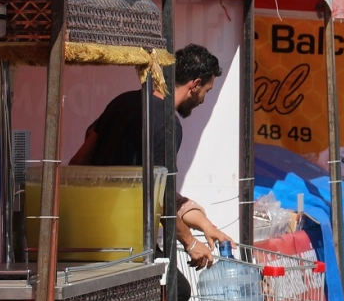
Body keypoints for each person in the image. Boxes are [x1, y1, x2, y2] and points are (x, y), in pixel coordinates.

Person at [70, 43, 229, 280]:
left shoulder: (122, 102)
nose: (203, 100)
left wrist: (205, 225)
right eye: (206, 91)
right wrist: (190, 242)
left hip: (89, 231)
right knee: (179, 293)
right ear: (194, 85)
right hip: (129, 239)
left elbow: (79, 160)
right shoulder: (167, 123)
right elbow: (162, 197)